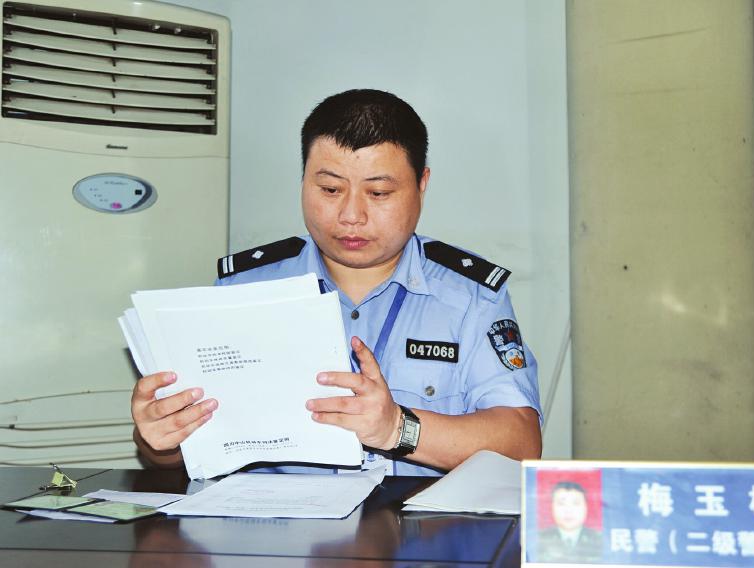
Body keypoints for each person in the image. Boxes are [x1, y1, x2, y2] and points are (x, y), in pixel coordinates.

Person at [131, 88, 542, 476]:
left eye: (378, 193)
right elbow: (182, 450)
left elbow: (521, 442)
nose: (351, 216)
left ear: (422, 185)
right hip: (276, 523)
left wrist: (397, 428)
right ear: (303, 180)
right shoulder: (244, 290)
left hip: (415, 525)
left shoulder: (470, 297)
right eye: (330, 189)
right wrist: (160, 441)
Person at [536, 481, 602, 563]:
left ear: (586, 507)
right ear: (552, 507)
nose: (568, 510)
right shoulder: (537, 538)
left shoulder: (600, 539)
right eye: (561, 504)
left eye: (576, 503)